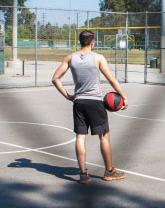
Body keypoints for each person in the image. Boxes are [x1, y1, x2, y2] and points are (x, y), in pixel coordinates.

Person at [51, 30, 128, 184]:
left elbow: (55, 79)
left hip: (79, 102)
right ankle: (109, 171)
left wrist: (68, 96)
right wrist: (123, 96)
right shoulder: (98, 58)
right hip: (95, 102)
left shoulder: (70, 58)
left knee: (80, 136)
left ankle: (84, 174)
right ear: (93, 42)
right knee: (104, 136)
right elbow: (111, 80)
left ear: (80, 42)